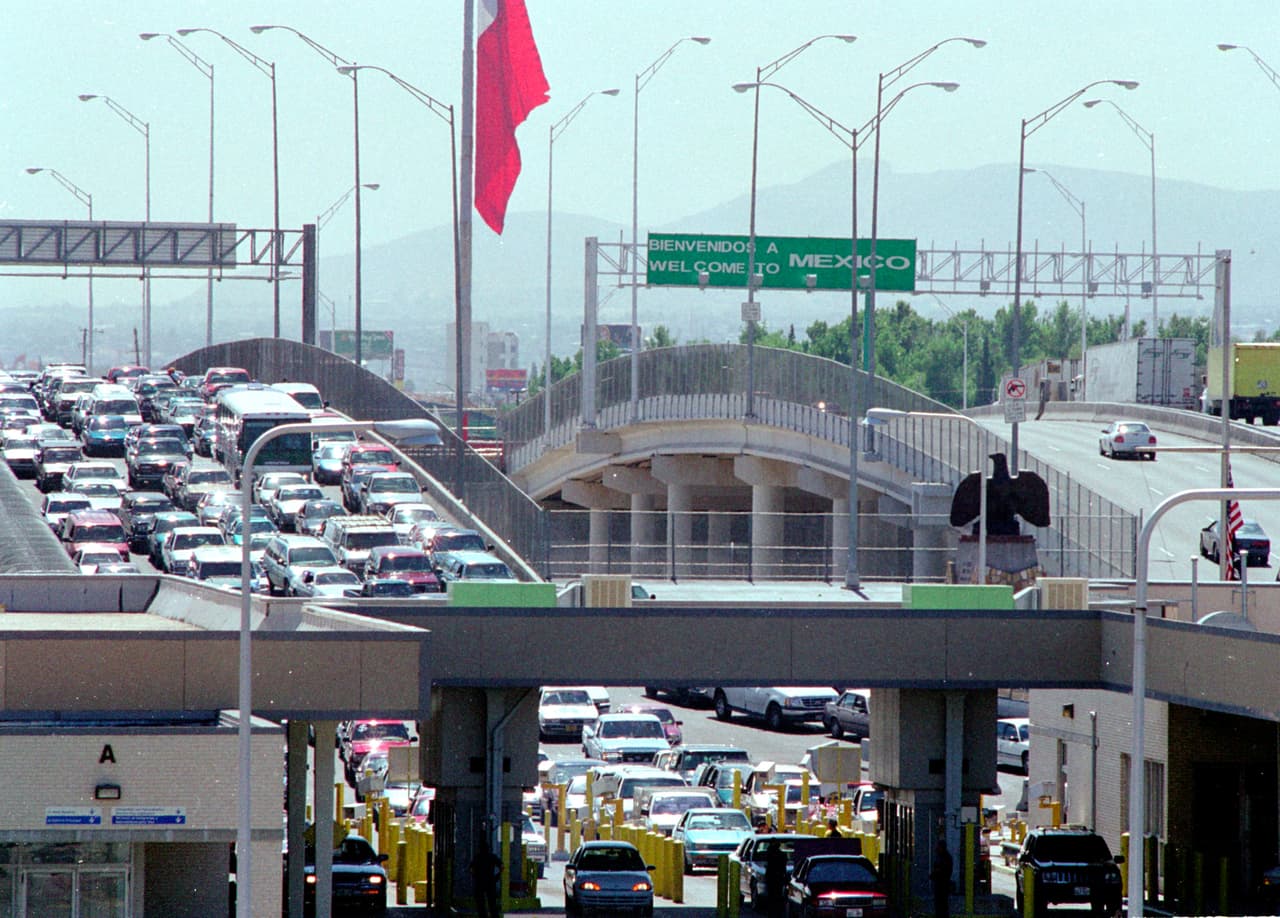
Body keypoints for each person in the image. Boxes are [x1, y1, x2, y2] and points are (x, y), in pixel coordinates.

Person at [470, 839, 502, 918]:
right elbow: (502, 866)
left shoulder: (477, 857)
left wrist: (475, 876)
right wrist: (497, 876)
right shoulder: (492, 857)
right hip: (491, 881)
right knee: (492, 902)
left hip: (480, 882)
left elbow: (471, 869)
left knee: (480, 903)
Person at [930, 836, 954, 918]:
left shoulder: (944, 858)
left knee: (941, 904)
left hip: (942, 884)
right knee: (941, 904)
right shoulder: (944, 857)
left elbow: (941, 870)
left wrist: (934, 875)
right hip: (942, 884)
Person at [764, 840, 787, 918]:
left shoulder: (770, 854)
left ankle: (772, 913)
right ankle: (777, 913)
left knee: (771, 896)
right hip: (778, 877)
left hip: (772, 877)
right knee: (778, 895)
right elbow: (784, 867)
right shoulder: (782, 855)